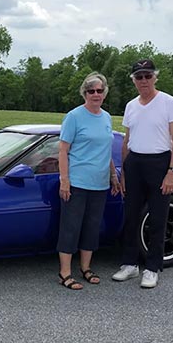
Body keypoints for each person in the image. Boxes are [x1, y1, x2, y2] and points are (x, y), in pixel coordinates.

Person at [112, 59, 173, 289]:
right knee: (131, 216)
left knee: (157, 218)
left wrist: (171, 171)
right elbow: (126, 140)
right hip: (134, 162)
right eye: (139, 77)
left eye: (147, 76)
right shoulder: (131, 105)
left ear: (155, 77)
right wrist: (123, 171)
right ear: (134, 80)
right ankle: (130, 265)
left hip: (159, 161)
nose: (143, 80)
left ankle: (152, 268)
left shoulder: (169, 103)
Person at [57, 72, 121, 290]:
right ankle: (65, 272)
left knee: (92, 228)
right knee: (70, 227)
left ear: (104, 93)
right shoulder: (74, 117)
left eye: (99, 90)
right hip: (77, 182)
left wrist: (113, 175)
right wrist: (64, 180)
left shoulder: (106, 117)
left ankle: (86, 268)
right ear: (84, 93)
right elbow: (63, 150)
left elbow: (106, 151)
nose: (95, 94)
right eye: (91, 91)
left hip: (100, 183)